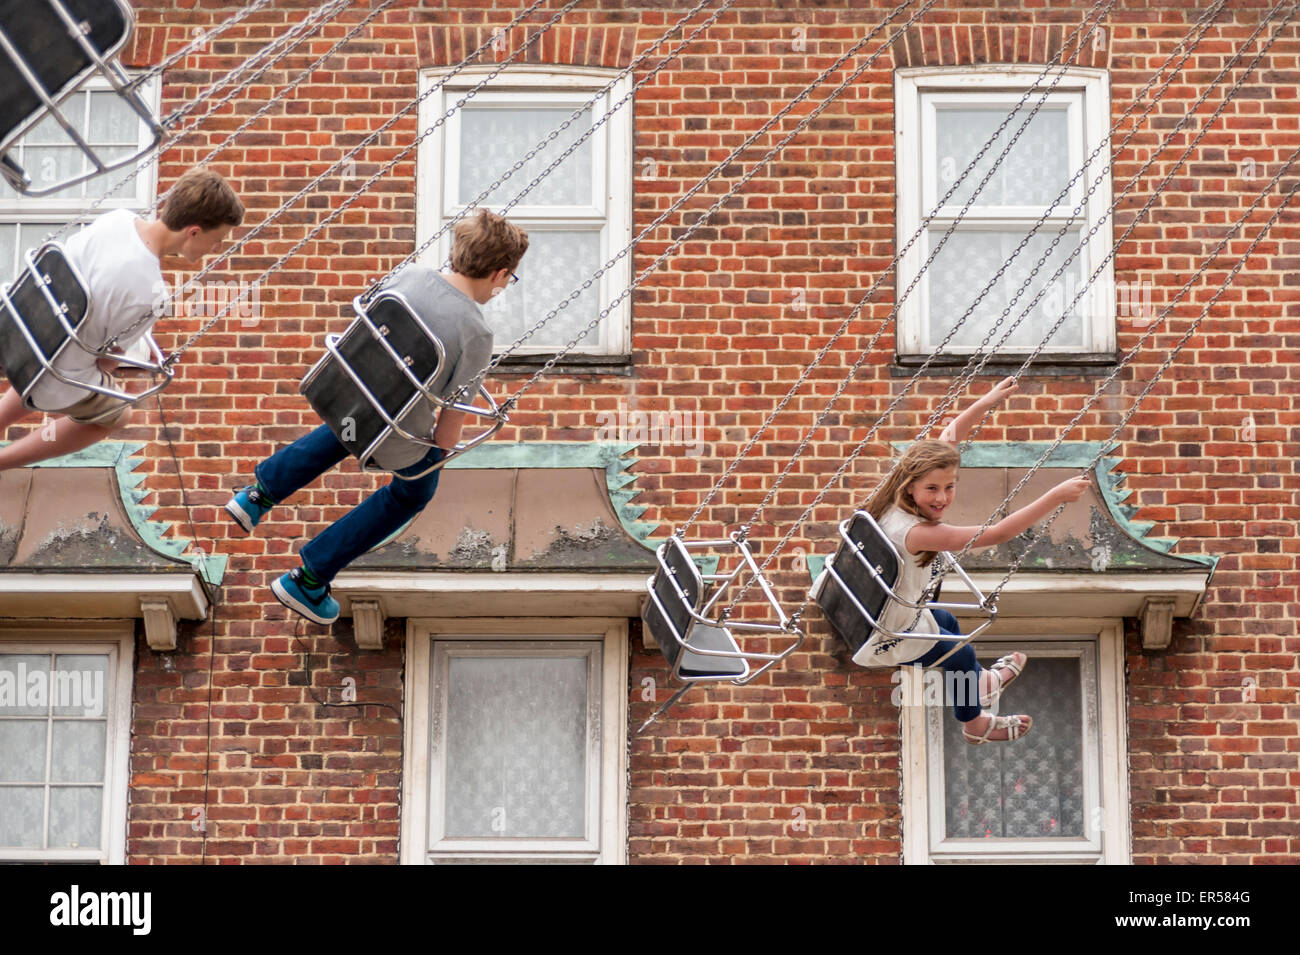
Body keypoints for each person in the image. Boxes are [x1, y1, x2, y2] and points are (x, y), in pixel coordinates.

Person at [225, 208, 528, 624]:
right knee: (413, 492)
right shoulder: (477, 333)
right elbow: (448, 429)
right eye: (509, 278)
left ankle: (257, 495)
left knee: (353, 421)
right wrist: (437, 456)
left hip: (343, 389)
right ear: (499, 273)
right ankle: (309, 577)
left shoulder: (411, 276)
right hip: (395, 433)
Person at [855, 376, 1091, 743]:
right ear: (911, 486)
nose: (943, 497)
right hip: (886, 632)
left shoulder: (889, 502)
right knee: (959, 654)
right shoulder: (919, 533)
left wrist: (987, 401)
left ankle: (982, 682)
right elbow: (996, 534)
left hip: (888, 610)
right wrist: (1055, 496)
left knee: (947, 619)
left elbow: (948, 437)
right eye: (932, 489)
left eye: (950, 487)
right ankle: (974, 724)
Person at [0, 167, 244, 469]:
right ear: (193, 231)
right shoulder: (151, 291)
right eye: (216, 240)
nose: (216, 249)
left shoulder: (117, 219)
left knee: (59, 348)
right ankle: (3, 460)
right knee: (117, 413)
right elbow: (107, 361)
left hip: (21, 333)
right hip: (54, 376)